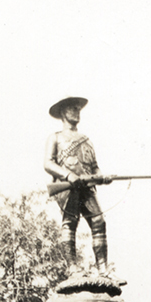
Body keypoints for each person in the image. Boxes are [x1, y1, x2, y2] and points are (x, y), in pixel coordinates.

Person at [44, 96, 111, 272]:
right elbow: (48, 163)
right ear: (63, 112)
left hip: (87, 187)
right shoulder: (55, 137)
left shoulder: (86, 140)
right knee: (70, 222)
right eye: (72, 108)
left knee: (99, 221)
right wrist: (67, 175)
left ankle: (103, 269)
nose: (77, 112)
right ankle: (72, 267)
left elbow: (94, 167)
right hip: (69, 187)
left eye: (78, 109)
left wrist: (102, 177)